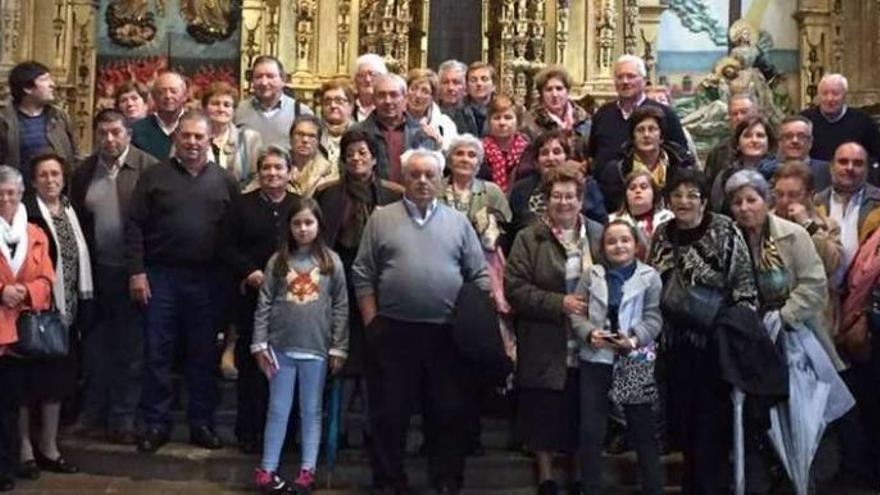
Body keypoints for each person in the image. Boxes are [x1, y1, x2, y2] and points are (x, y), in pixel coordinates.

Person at [352, 148, 489, 494]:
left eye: (430, 175)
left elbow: (479, 275)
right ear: (404, 179)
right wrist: (372, 324)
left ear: (441, 180)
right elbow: (363, 273)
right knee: (390, 414)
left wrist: (472, 322)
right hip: (394, 332)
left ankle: (446, 480)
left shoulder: (458, 222)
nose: (422, 181)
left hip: (446, 336)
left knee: (447, 412)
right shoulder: (382, 218)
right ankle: (388, 479)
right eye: (414, 174)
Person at [725, 169, 848, 492]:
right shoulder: (728, 240)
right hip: (751, 342)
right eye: (737, 202)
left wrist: (784, 316)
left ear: (765, 201)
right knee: (758, 419)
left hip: (796, 338)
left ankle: (806, 479)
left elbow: (813, 284)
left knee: (807, 415)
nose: (745, 208)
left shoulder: (793, 235)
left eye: (751, 200)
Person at [126, 110, 239, 453]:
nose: (192, 142)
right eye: (186, 136)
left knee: (203, 353)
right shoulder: (154, 177)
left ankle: (201, 423)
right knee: (158, 352)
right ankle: (156, 423)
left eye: (199, 137)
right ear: (176, 138)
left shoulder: (224, 180)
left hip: (207, 279)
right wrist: (137, 271)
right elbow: (134, 226)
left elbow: (234, 234)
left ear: (210, 140)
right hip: (160, 276)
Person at [647, 168, 757, 494]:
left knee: (713, 429)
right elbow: (653, 283)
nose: (684, 201)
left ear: (704, 200)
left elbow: (744, 287)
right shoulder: (663, 234)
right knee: (685, 425)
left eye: (692, 194)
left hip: (715, 345)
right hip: (676, 346)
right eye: (677, 195)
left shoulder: (725, 230)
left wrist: (733, 332)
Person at [505, 165, 603, 495]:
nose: (564, 203)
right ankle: (546, 477)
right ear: (546, 200)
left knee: (580, 410)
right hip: (545, 338)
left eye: (570, 197)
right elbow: (514, 288)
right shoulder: (529, 237)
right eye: (557, 196)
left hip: (589, 341)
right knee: (543, 411)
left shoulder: (598, 233)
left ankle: (578, 473)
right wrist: (558, 302)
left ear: (581, 200)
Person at [69, 109, 158, 444]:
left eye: (116, 132)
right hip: (96, 272)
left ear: (128, 134)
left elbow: (156, 222)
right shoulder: (84, 171)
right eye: (103, 133)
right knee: (95, 346)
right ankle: (92, 413)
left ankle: (123, 418)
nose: (109, 139)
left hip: (135, 272)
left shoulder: (148, 168)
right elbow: (77, 219)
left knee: (131, 348)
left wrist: (143, 270)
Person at [251, 198, 348, 495]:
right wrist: (259, 343)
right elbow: (264, 302)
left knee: (311, 411)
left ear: (319, 225)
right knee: (278, 410)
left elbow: (341, 306)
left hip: (316, 350)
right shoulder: (278, 261)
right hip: (279, 349)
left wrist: (338, 347)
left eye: (309, 223)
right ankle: (267, 470)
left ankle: (308, 470)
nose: (303, 229)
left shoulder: (331, 262)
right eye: (297, 223)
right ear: (289, 228)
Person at [315, 130, 403, 447]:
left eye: (363, 153)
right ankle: (336, 426)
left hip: (382, 281)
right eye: (350, 153)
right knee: (342, 349)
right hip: (341, 277)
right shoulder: (329, 194)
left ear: (374, 158)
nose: (356, 159)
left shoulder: (393, 194)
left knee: (376, 352)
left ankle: (371, 425)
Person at [571, 219, 665, 495]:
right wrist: (590, 334)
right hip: (597, 356)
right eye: (611, 241)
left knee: (642, 428)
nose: (618, 245)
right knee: (592, 429)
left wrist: (634, 338)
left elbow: (654, 317)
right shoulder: (592, 275)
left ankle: (654, 488)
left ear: (636, 244)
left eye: (625, 240)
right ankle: (591, 488)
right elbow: (577, 312)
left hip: (633, 358)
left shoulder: (650, 276)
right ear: (603, 247)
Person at [17, 153, 92, 479]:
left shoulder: (71, 210)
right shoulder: (26, 214)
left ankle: (49, 447)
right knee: (25, 384)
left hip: (66, 312)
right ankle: (24, 449)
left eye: (55, 174)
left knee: (57, 382)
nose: (50, 180)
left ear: (64, 178)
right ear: (33, 181)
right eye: (43, 175)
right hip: (32, 311)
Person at [220, 145, 299, 454]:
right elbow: (225, 246)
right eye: (266, 168)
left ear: (290, 172)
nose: (272, 173)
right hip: (252, 296)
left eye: (279, 168)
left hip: (292, 301)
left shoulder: (298, 205)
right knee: (253, 367)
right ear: (258, 173)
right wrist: (249, 271)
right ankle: (250, 432)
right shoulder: (241, 206)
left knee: (286, 365)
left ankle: (287, 435)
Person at [0, 165, 55, 493]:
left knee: (10, 406)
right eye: (0, 193)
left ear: (22, 194)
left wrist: (25, 293)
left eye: (11, 193)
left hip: (21, 331)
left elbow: (47, 279)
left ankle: (6, 467)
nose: (6, 198)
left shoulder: (35, 233)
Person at [772, 161, 844, 365]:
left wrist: (808, 226)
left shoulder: (827, 225)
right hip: (779, 315)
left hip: (817, 316)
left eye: (793, 195)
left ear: (810, 196)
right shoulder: (764, 223)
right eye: (779, 194)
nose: (785, 201)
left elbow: (832, 264)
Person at [588, 55, 687, 184]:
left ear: (644, 80)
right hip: (608, 194)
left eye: (631, 76)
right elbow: (593, 154)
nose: (625, 81)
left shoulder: (665, 114)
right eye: (620, 77)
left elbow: (680, 155)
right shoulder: (602, 114)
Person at [508, 130, 607, 242]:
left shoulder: (586, 185)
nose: (551, 158)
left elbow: (600, 225)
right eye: (544, 153)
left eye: (557, 152)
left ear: (566, 157)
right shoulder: (521, 189)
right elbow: (514, 229)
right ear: (536, 161)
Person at [597, 105, 695, 212]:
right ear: (633, 137)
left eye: (652, 129)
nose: (646, 135)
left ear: (661, 137)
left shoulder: (682, 167)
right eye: (640, 130)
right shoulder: (616, 171)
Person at [353, 73, 438, 183]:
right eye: (381, 95)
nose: (388, 101)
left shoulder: (423, 135)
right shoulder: (356, 133)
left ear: (405, 98)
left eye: (394, 95)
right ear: (373, 99)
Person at [0, 61, 77, 182]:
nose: (52, 84)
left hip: (57, 193)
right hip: (20, 194)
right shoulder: (5, 121)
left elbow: (73, 155)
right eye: (44, 79)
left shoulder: (59, 117)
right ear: (27, 88)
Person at [235, 55, 313, 150]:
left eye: (270, 76)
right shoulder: (238, 111)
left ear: (283, 79)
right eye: (258, 77)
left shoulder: (301, 112)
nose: (264, 82)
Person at [801, 74, 880, 167]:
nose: (829, 99)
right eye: (824, 93)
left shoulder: (864, 121)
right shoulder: (804, 120)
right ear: (818, 95)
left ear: (844, 95)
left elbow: (875, 157)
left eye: (835, 94)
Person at [709, 115, 779, 213]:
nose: (754, 140)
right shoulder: (726, 176)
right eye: (747, 136)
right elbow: (715, 209)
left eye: (760, 136)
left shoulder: (780, 174)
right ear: (737, 143)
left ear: (769, 142)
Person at [201, 81, 262, 186]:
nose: (221, 109)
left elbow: (257, 177)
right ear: (204, 108)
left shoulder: (250, 139)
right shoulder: (191, 138)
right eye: (215, 104)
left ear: (233, 110)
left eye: (227, 105)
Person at [522, 65, 591, 155]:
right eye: (549, 89)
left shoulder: (585, 120)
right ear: (541, 94)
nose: (554, 94)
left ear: (567, 91)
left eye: (559, 88)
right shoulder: (529, 124)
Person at [702, 93, 758, 188]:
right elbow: (708, 188)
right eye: (734, 114)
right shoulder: (718, 153)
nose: (739, 117)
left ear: (755, 114)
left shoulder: (770, 147)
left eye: (744, 112)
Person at [130, 71, 188, 161]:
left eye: (173, 91)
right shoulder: (136, 131)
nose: (168, 96)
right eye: (161, 92)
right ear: (153, 97)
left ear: (185, 96)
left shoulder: (197, 127)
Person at [479, 95, 529, 192]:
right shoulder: (479, 151)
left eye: (508, 118)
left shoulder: (528, 151)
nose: (502, 123)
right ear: (489, 122)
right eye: (497, 118)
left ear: (518, 122)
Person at [609, 169, 674, 243]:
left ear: (654, 193)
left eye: (643, 187)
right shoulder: (613, 221)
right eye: (632, 188)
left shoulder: (669, 218)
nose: (638, 191)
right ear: (625, 195)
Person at [280, 115, 338, 197]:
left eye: (311, 136)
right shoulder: (276, 167)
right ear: (291, 138)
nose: (305, 140)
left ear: (318, 141)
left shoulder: (330, 172)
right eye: (300, 134)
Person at [406, 68, 459, 150]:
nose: (417, 95)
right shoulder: (394, 119)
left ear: (432, 97)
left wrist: (439, 142)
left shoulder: (445, 124)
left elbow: (453, 155)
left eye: (425, 91)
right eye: (413, 88)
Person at [778, 115, 832, 192]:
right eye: (788, 136)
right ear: (780, 142)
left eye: (801, 136)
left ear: (810, 142)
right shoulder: (769, 171)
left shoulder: (827, 171)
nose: (795, 141)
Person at [318, 78, 356, 165]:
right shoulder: (314, 133)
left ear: (351, 106)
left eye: (339, 101)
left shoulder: (361, 133)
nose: (333, 105)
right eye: (327, 101)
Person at [437, 60, 479, 136]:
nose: (450, 88)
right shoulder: (430, 114)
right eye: (445, 82)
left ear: (466, 88)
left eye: (456, 82)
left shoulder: (476, 116)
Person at [352, 53, 388, 122]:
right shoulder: (348, 106)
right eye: (362, 75)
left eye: (373, 74)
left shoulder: (388, 106)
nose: (367, 79)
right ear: (355, 79)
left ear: (383, 78)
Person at [465, 61, 496, 135]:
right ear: (467, 86)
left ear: (494, 85)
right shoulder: (457, 113)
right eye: (473, 80)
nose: (479, 84)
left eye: (484, 79)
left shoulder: (501, 110)